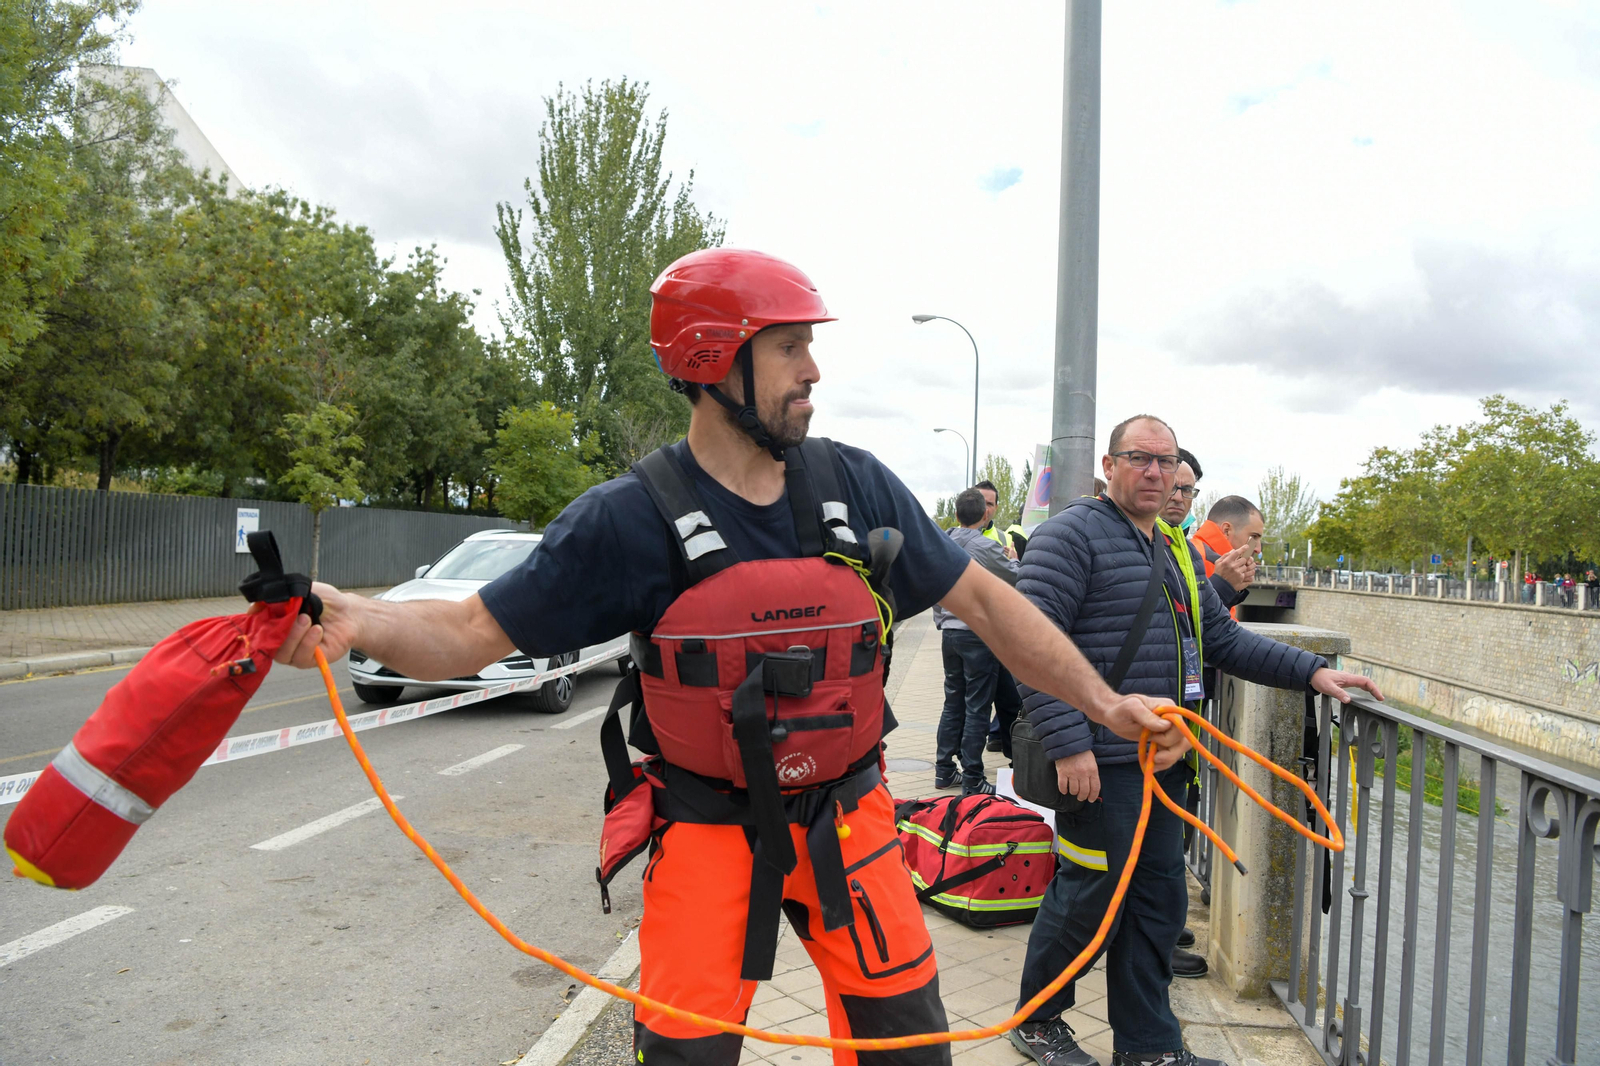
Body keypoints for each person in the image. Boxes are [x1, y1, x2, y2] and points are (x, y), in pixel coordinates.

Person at [268, 249, 1188, 1066]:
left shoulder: (855, 481)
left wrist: (1106, 706)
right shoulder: (625, 518)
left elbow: (985, 602)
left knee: (910, 1048)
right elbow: (469, 633)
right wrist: (356, 617)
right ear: (715, 358)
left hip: (852, 820)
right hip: (709, 830)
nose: (813, 370)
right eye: (789, 346)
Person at [1006, 414, 1382, 1066]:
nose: (1156, 474)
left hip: (1164, 763)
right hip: (1099, 762)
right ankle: (1037, 1022)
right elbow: (1028, 644)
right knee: (1085, 900)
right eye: (1140, 459)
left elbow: (1224, 641)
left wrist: (1312, 672)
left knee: (1157, 906)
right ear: (1110, 464)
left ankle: (1150, 1048)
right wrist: (1069, 744)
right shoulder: (1070, 536)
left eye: (1166, 461)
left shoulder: (1170, 547)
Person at [933, 488, 1020, 795]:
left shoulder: (941, 542)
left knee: (953, 701)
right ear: (985, 515)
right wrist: (1016, 559)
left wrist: (941, 618)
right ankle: (973, 778)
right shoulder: (985, 546)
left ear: (956, 514)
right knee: (978, 706)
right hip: (978, 635)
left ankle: (944, 770)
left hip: (950, 634)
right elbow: (1014, 577)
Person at [1191, 496, 1264, 618]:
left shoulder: (1199, 553)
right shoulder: (1203, 560)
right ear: (1226, 531)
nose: (1257, 549)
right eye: (1254, 537)